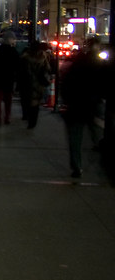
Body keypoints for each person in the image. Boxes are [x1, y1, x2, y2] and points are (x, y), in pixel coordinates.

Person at [60, 37, 105, 178]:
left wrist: (66, 100)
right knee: (97, 133)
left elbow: (66, 83)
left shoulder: (77, 63)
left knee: (75, 139)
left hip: (76, 105)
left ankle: (76, 166)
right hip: (92, 105)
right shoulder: (101, 65)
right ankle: (102, 164)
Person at [18, 41, 51, 129]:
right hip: (38, 84)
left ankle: (27, 117)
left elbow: (20, 72)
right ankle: (33, 122)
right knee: (35, 104)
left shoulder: (25, 58)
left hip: (27, 83)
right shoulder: (43, 57)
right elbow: (47, 70)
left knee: (26, 101)